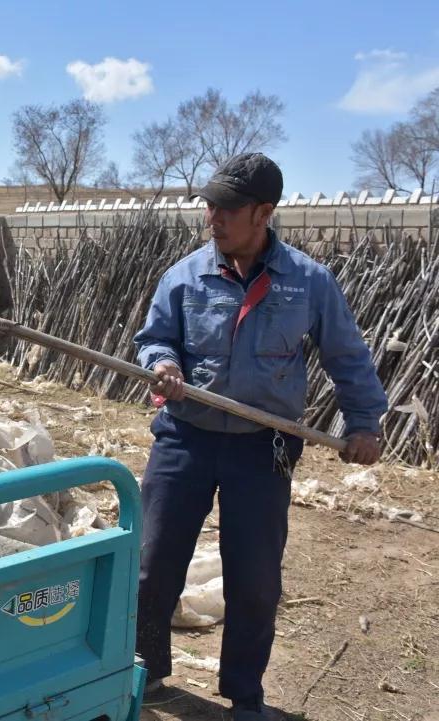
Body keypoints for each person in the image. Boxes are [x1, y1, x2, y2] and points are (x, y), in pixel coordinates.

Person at [133, 153, 387, 720]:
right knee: (154, 562)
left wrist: (364, 424)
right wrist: (164, 363)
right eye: (209, 206)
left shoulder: (307, 282)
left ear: (263, 213)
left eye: (226, 209)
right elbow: (153, 340)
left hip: (262, 446)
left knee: (254, 576)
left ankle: (244, 694)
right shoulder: (185, 275)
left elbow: (347, 356)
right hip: (185, 438)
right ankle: (145, 671)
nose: (212, 219)